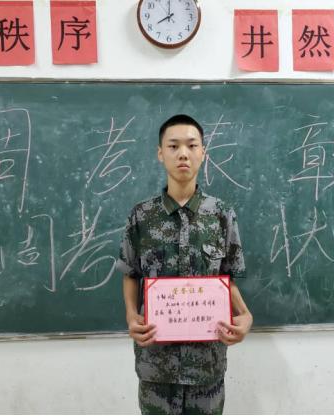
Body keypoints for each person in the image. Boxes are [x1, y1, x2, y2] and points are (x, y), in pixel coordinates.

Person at [117, 114, 253, 415]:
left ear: (203, 153)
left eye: (192, 145)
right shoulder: (141, 216)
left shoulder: (221, 214)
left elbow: (226, 277)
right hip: (156, 366)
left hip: (207, 366)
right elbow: (130, 272)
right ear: (160, 153)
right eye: (173, 146)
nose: (183, 153)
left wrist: (245, 315)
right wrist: (130, 314)